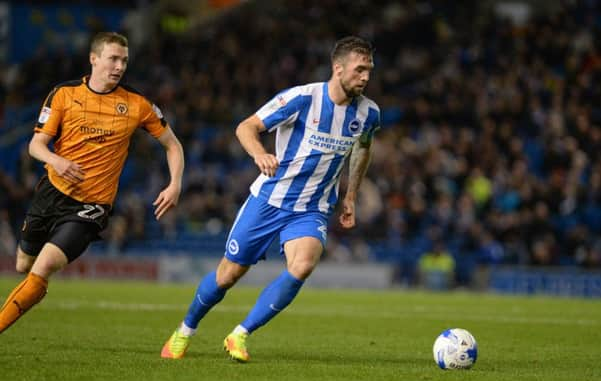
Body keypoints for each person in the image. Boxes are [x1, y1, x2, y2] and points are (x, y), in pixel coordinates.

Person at [161, 36, 380, 362]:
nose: (365, 77)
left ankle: (240, 334)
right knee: (228, 276)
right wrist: (260, 154)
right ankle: (186, 329)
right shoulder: (301, 98)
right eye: (359, 69)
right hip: (269, 200)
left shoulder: (369, 113)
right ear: (338, 68)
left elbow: (363, 148)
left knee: (303, 265)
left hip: (313, 208)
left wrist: (350, 196)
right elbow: (246, 127)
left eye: (369, 70)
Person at [0, 32, 185, 334]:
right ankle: (30, 289)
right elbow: (36, 145)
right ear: (94, 59)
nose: (119, 66)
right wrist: (57, 161)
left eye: (124, 60)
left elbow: (173, 145)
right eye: (113, 58)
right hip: (51, 193)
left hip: (92, 206)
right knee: (23, 264)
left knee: (42, 267)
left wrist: (175, 183)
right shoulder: (63, 94)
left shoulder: (137, 104)